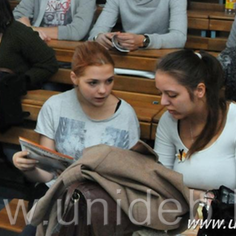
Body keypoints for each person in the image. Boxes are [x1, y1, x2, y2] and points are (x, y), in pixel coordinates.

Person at [12, 42, 140, 184]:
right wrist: (28, 167)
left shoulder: (125, 115)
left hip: (107, 193)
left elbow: (130, 174)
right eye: (93, 83)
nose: (103, 90)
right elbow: (47, 174)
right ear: (74, 78)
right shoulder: (55, 106)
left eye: (109, 81)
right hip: (63, 190)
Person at [154, 50, 236, 199]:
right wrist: (199, 196)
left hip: (228, 213)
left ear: (200, 90)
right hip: (176, 210)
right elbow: (159, 185)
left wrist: (189, 196)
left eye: (172, 95)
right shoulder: (169, 120)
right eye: (160, 93)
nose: (163, 102)